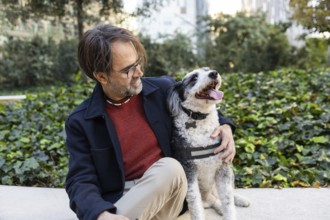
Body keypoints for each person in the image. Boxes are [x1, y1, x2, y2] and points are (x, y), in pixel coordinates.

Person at [65, 23, 236, 220]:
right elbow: (80, 180)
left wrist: (225, 125)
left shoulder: (162, 90)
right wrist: (101, 214)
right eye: (128, 69)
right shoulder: (81, 121)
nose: (139, 72)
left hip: (170, 193)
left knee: (170, 168)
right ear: (101, 76)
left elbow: (195, 103)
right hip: (124, 201)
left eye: (138, 63)